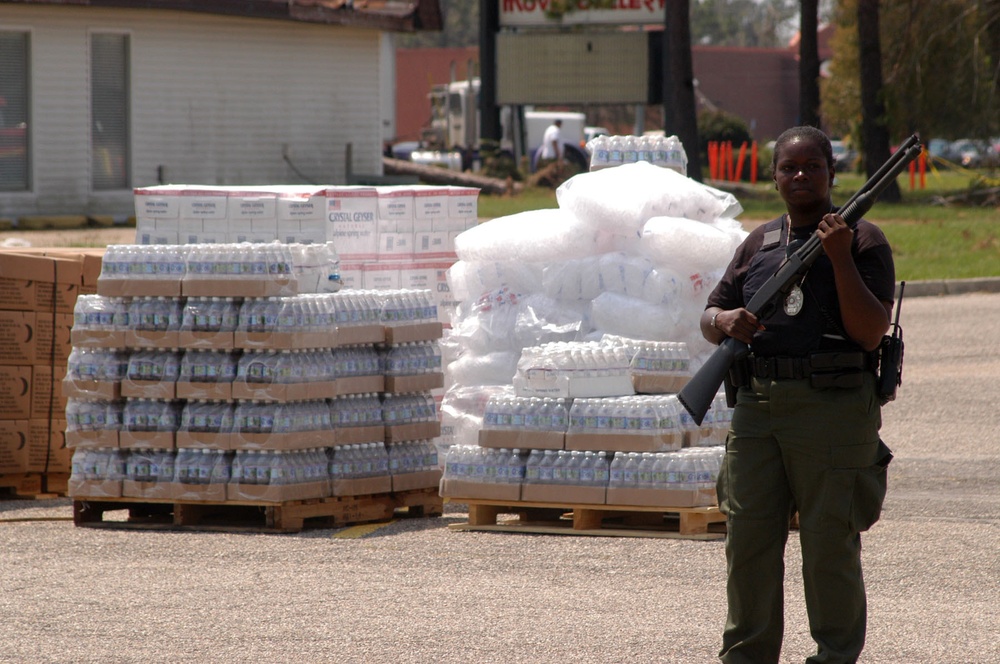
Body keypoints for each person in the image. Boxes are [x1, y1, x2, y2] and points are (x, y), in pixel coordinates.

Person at [701, 125, 895, 664]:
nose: (801, 175)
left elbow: (870, 332)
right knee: (748, 543)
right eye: (790, 167)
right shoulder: (758, 243)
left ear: (833, 173)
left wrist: (838, 258)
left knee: (829, 543)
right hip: (758, 409)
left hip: (831, 408)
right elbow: (710, 314)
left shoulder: (862, 240)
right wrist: (724, 318)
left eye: (813, 166)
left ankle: (833, 657)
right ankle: (745, 656)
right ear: (775, 176)